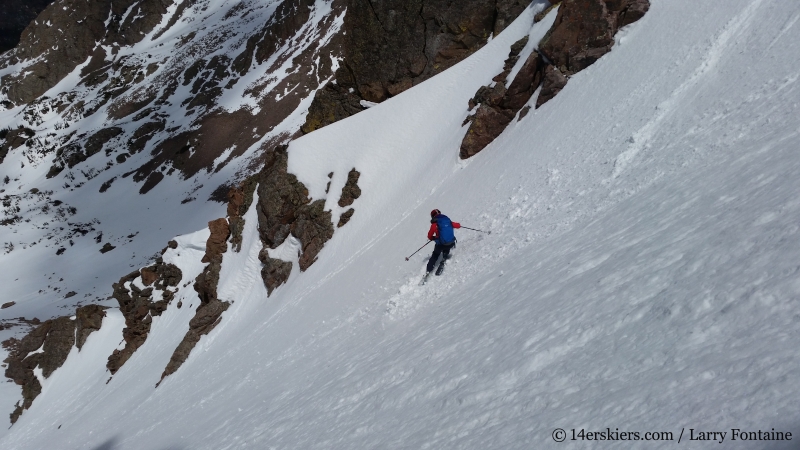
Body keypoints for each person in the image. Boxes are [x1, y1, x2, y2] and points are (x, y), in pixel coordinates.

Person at [426, 209, 461, 274]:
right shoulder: (447, 220)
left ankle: (428, 270)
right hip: (451, 243)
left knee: (435, 255)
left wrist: (433, 238)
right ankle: (444, 257)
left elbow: (429, 236)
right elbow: (458, 225)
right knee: (447, 246)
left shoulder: (435, 224)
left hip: (441, 244)